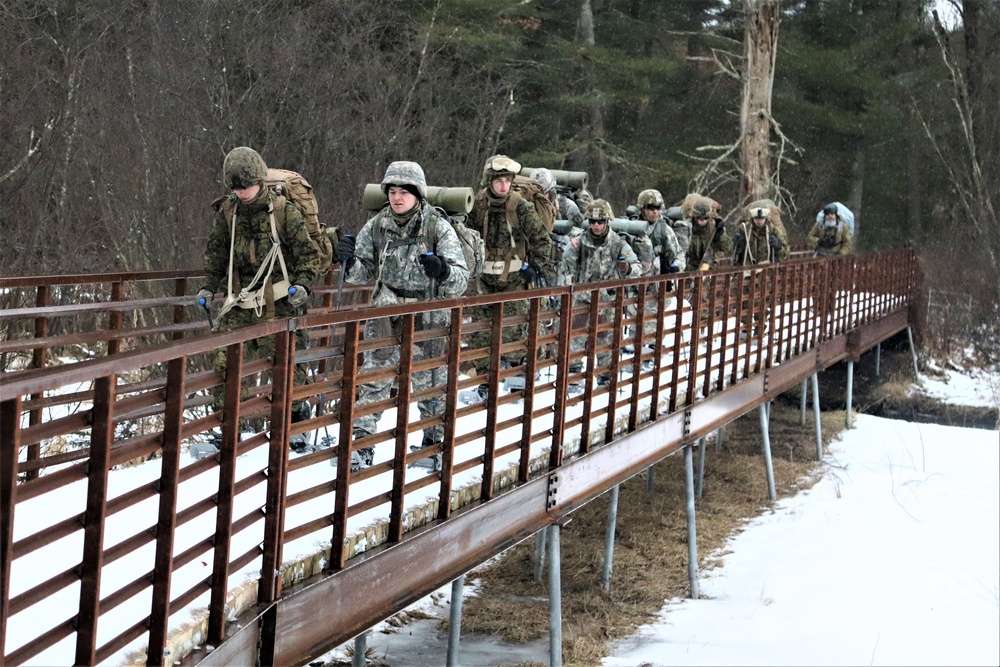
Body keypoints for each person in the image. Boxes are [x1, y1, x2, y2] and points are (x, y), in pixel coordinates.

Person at [334, 161, 469, 471]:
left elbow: (461, 280)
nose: (397, 197)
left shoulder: (436, 226)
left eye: (404, 192)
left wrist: (443, 270)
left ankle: (433, 444)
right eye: (392, 191)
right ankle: (361, 444)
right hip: (387, 309)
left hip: (427, 313)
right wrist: (343, 259)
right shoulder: (378, 225)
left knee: (430, 381)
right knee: (374, 378)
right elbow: (362, 272)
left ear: (417, 194)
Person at [199, 146, 324, 442]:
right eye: (237, 188)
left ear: (260, 181)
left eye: (248, 186)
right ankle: (230, 427)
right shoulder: (227, 213)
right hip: (240, 302)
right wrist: (209, 285)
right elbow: (216, 253)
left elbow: (309, 256)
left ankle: (293, 422)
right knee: (225, 364)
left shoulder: (284, 211)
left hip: (280, 301)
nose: (243, 193)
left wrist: (303, 286)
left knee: (285, 366)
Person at [466, 155, 555, 397]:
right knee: (481, 335)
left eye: (507, 181)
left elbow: (542, 239)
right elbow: (464, 234)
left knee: (517, 332)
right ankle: (486, 382)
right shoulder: (478, 204)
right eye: (499, 181)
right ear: (490, 182)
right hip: (485, 280)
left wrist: (536, 268)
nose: (503, 186)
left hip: (515, 277)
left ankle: (521, 373)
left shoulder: (520, 206)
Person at [560, 199, 642, 385]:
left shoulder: (618, 244)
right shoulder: (578, 242)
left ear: (607, 221)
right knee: (576, 338)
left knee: (607, 340)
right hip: (582, 298)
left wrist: (627, 269)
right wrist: (568, 286)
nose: (596, 226)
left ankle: (605, 377)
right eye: (592, 222)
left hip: (608, 299)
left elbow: (637, 267)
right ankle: (573, 376)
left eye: (600, 222)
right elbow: (566, 266)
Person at [636, 189, 687, 273]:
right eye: (651, 208)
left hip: (657, 281)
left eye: (658, 207)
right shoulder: (633, 227)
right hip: (635, 279)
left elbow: (678, 254)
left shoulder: (664, 230)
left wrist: (676, 266)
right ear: (642, 209)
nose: (655, 211)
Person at [686, 196, 734, 271]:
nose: (703, 221)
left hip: (710, 267)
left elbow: (728, 247)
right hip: (690, 268)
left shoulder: (714, 228)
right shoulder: (687, 227)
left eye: (706, 218)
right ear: (694, 217)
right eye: (700, 218)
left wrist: (720, 233)